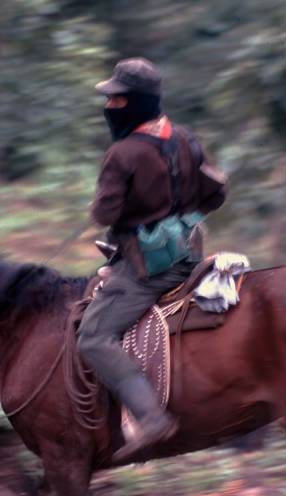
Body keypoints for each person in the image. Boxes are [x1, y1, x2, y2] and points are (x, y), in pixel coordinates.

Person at [77, 57, 228, 463]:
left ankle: (150, 417)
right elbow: (216, 194)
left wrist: (112, 206)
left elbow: (104, 215)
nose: (109, 107)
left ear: (136, 103)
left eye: (117, 100)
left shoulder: (122, 153)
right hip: (189, 257)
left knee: (92, 335)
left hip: (147, 272)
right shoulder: (186, 138)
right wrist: (180, 214)